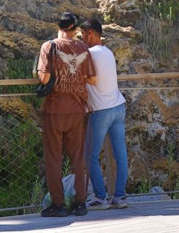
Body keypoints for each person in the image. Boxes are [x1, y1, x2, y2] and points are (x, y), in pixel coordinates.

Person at [36, 11, 96, 218]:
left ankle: (58, 205)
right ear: (75, 29)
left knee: (53, 159)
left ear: (59, 26)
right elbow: (92, 78)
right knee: (78, 159)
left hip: (54, 110)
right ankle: (80, 203)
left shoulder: (49, 46)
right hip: (77, 110)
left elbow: (44, 78)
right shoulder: (83, 48)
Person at [80, 18, 129, 211]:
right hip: (118, 106)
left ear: (90, 34)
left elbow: (88, 78)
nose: (82, 38)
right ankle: (119, 196)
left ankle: (100, 197)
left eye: (83, 35)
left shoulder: (88, 54)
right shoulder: (108, 52)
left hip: (101, 110)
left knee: (90, 155)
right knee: (121, 154)